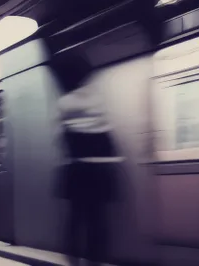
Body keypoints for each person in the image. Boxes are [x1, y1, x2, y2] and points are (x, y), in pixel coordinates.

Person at [51, 52, 123, 266]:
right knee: (98, 222)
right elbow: (106, 135)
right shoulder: (98, 99)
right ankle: (96, 261)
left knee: (75, 220)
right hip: (102, 170)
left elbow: (63, 139)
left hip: (78, 170)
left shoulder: (65, 103)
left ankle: (73, 261)